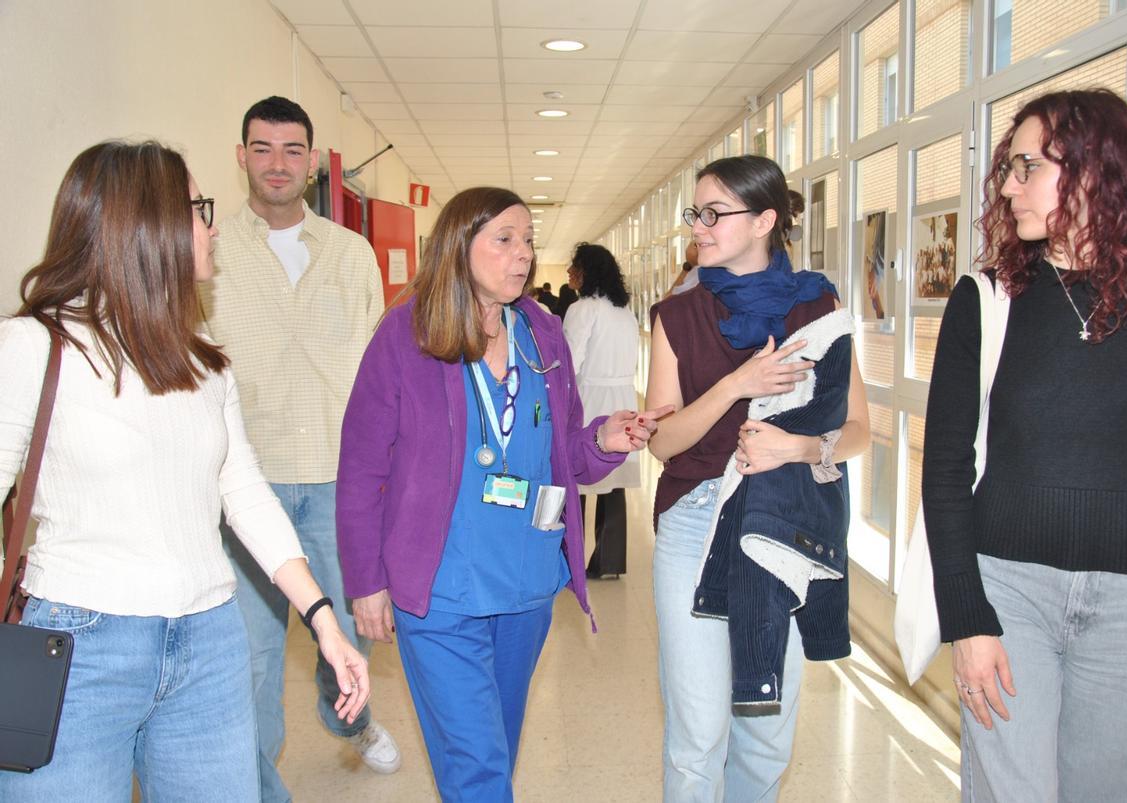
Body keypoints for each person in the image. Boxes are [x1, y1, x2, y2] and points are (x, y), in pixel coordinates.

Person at [0, 140, 369, 801]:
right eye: (198, 208)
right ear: (143, 223)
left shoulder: (204, 364)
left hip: (209, 641)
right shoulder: (33, 347)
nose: (214, 224)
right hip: (78, 651)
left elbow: (245, 495)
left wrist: (323, 618)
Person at [336, 186, 671, 802]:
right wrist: (364, 582)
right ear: (459, 247)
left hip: (525, 585)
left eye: (528, 242)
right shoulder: (404, 337)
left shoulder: (542, 334)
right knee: (478, 770)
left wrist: (605, 438)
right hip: (437, 593)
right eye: (505, 240)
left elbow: (560, 452)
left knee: (497, 751)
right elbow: (360, 468)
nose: (523, 256)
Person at [923, 89, 1127, 802]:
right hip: (1008, 590)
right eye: (1007, 170)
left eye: (1026, 167)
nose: (1008, 186)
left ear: (1091, 167)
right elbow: (945, 467)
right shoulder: (985, 298)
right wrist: (967, 618)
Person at [645, 154, 869, 801]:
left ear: (765, 218)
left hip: (780, 524)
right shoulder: (677, 316)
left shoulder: (819, 308)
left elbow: (856, 429)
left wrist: (798, 447)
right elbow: (664, 441)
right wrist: (735, 386)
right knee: (699, 734)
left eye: (715, 212)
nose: (700, 225)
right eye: (696, 212)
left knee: (765, 730)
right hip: (695, 521)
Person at [202, 95, 399, 801]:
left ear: (313, 162)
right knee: (251, 658)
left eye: (292, 150)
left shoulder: (350, 255)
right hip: (242, 485)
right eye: (262, 149)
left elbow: (379, 372)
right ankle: (255, 783)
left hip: (337, 482)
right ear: (241, 156)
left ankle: (351, 724)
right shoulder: (209, 251)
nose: (277, 164)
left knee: (348, 633)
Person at [562, 243, 640, 578]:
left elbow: (570, 360)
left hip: (589, 397)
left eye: (574, 266)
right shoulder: (624, 310)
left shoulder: (584, 308)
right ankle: (609, 563)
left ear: (587, 271)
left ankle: (570, 560)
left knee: (577, 479)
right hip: (623, 398)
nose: (569, 274)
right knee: (614, 487)